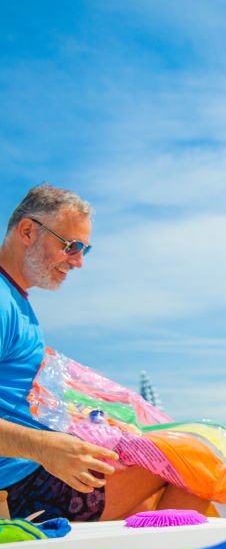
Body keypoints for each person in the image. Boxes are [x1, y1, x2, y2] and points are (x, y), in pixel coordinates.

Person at [0, 183, 213, 521]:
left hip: (36, 473)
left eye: (85, 249)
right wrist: (43, 447)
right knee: (197, 462)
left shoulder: (16, 302)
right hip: (21, 487)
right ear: (28, 231)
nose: (79, 261)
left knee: (169, 478)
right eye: (71, 246)